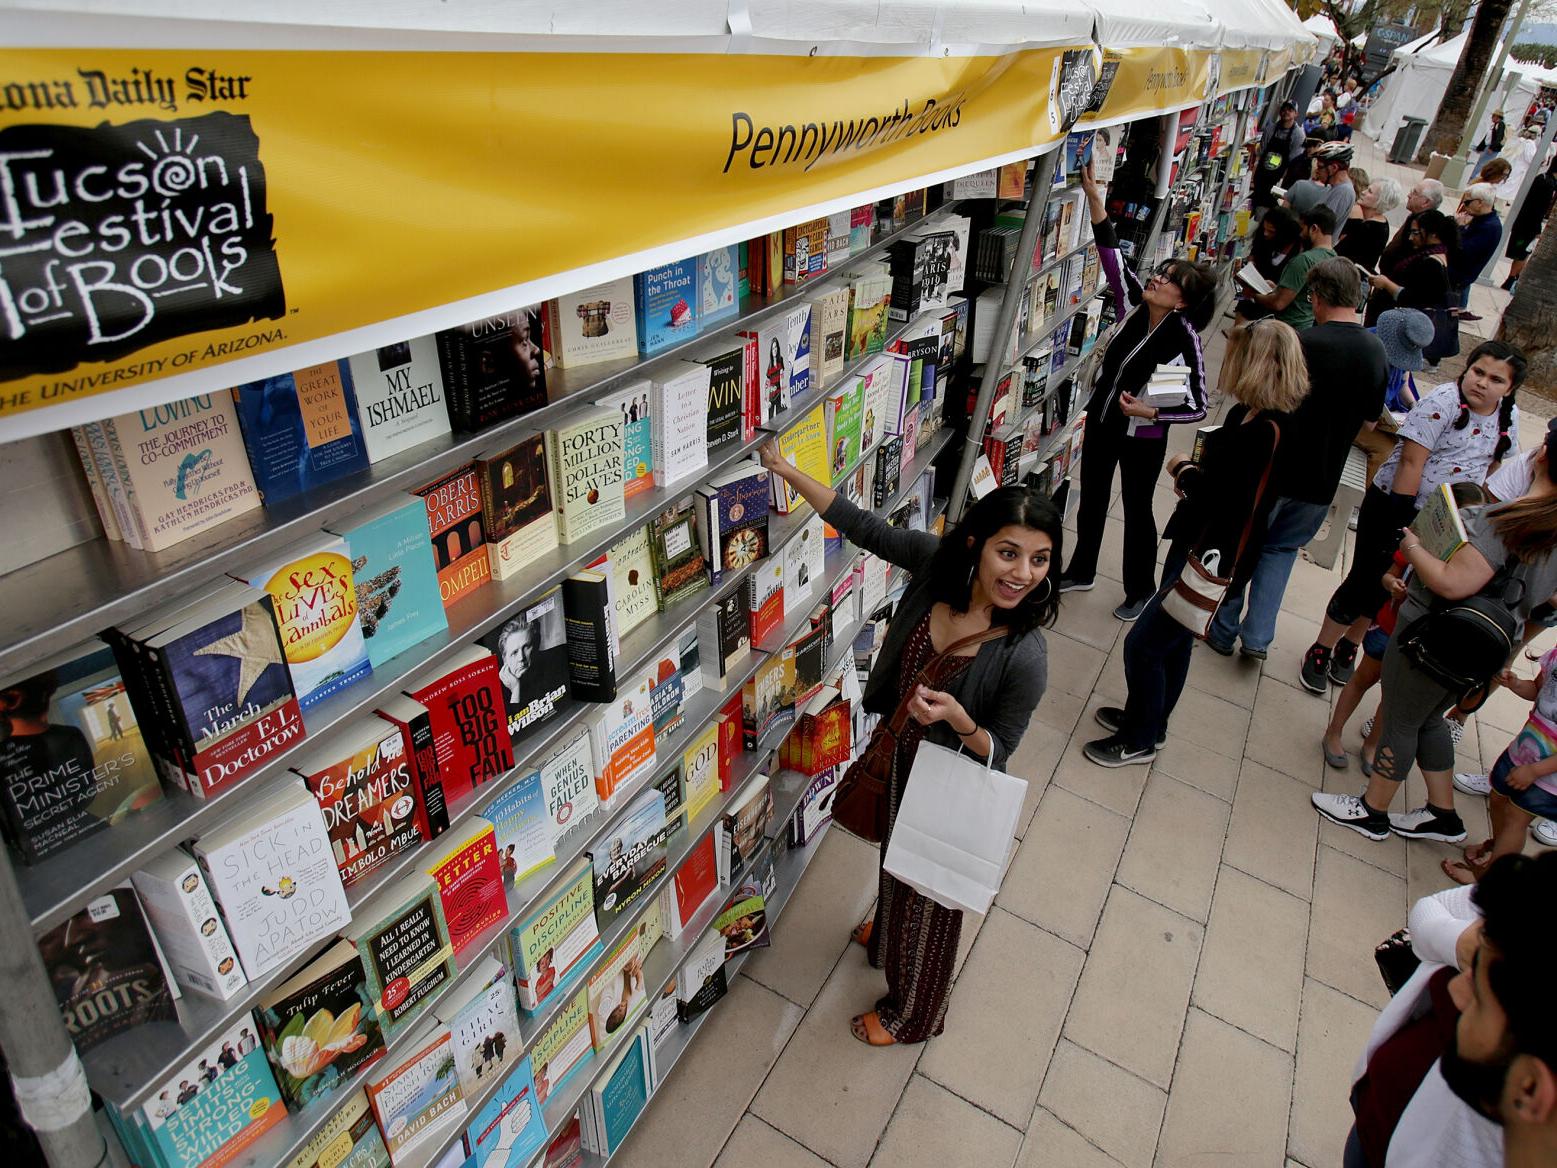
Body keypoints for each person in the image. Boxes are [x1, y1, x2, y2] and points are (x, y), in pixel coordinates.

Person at [759, 441, 1056, 1046]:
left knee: (933, 900)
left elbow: (1001, 752)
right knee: (896, 864)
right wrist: (788, 471)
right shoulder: (936, 566)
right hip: (897, 760)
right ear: (975, 545)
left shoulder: (1025, 654)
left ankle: (914, 1014)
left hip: (946, 783)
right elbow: (862, 526)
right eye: (1009, 552)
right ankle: (890, 932)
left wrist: (961, 720)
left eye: (1040, 560)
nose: (1023, 574)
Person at [1311, 356, 1545, 848]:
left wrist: (1414, 547)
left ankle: (1372, 810)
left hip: (1436, 628)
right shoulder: (1546, 523)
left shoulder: (1509, 518)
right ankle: (1443, 813)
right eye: (1477, 372)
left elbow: (1454, 582)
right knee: (1427, 717)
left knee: (1399, 716)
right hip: (1479, 641)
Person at [1083, 319, 1308, 766]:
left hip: (1212, 555)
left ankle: (1139, 737)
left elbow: (1228, 501)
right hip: (1194, 540)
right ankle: (1151, 719)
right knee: (1175, 640)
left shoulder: (1267, 432)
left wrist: (1184, 470)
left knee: (1144, 644)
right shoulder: (1248, 414)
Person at [1300, 341, 1524, 695]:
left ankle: (1351, 644)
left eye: (1496, 379)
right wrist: (1401, 522)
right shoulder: (1443, 402)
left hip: (1448, 523)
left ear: (1509, 389)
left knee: (1393, 588)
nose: (1482, 383)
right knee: (1365, 579)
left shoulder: (1507, 418)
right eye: (1478, 371)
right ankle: (1322, 647)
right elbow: (1410, 462)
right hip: (1397, 505)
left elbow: (1491, 466)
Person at [1059, 162, 1214, 621]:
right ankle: (1081, 569)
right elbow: (1112, 257)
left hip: (1142, 439)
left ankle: (1139, 590)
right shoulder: (1132, 305)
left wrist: (1152, 413)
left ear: (1183, 301)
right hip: (1104, 421)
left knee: (1138, 512)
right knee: (1091, 497)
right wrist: (1093, 200)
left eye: (1169, 281)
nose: (1157, 280)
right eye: (1160, 274)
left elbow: (1197, 406)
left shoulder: (1183, 340)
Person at [1211, 261, 1386, 660]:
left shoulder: (1303, 343)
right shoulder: (1375, 350)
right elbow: (1371, 419)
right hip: (1322, 479)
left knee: (1245, 547)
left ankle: (1222, 629)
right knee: (1281, 552)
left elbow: (1262, 401)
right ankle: (1257, 638)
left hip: (1274, 471)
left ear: (1317, 297)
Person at [1354, 307, 1435, 483]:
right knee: (1387, 451)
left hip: (1383, 416)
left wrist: (1414, 406)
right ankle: (1362, 500)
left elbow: (1403, 382)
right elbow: (1368, 419)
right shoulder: (1367, 350)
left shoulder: (1400, 352)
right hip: (1355, 418)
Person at [1242, 206, 1337, 331]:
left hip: (1280, 328)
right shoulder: (1334, 260)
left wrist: (1253, 294)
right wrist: (1277, 288)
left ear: (1314, 229)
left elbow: (1278, 303)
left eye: (1303, 229)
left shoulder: (1304, 260)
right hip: (1304, 327)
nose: (1300, 234)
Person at [1365, 209, 1457, 329]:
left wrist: (1386, 284)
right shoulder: (1435, 254)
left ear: (1433, 233)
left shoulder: (1431, 263)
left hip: (1400, 324)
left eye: (1416, 233)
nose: (1411, 237)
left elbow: (1412, 299)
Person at [1235, 206, 1301, 321]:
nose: (1266, 234)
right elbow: (1253, 255)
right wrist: (1247, 269)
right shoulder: (1263, 241)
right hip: (1251, 298)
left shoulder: (1297, 253)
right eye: (1264, 229)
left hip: (1273, 306)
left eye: (1271, 232)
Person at [1502, 155, 1557, 292]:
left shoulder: (1545, 180)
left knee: (1523, 252)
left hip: (1525, 224)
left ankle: (1514, 277)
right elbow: (1537, 208)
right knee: (1522, 252)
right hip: (1528, 226)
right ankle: (1512, 279)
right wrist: (1537, 229)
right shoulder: (1546, 183)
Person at [1452, 183, 1504, 312]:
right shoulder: (1480, 220)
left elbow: (1463, 251)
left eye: (1467, 202)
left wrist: (1459, 228)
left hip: (1456, 278)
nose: (1464, 204)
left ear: (1480, 203)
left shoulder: (1489, 227)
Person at [1379, 179, 1446, 276]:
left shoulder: (1426, 227)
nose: (1409, 195)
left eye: (1415, 193)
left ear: (1426, 202)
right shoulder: (1414, 217)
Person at [1336, 176, 1404, 272]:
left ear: (1380, 201)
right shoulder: (1378, 223)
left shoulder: (1369, 228)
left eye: (1370, 191)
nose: (1363, 192)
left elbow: (1340, 252)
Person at [1285, 141, 1357, 223]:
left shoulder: (1343, 192)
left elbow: (1319, 226)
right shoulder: (1336, 188)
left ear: (1333, 168)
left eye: (1320, 167)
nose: (1317, 170)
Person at [1254, 100, 1305, 209]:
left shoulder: (1298, 135)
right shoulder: (1270, 129)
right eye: (1284, 109)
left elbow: (1294, 162)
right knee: (1256, 204)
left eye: (1290, 110)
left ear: (1296, 114)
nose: (1286, 112)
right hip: (1262, 174)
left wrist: (1282, 182)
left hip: (1279, 178)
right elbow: (1261, 152)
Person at [1470, 110, 1508, 181]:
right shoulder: (1494, 125)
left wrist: (1492, 148)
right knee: (1480, 163)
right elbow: (1487, 137)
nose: (1492, 118)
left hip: (1491, 148)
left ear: (1497, 117)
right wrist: (1480, 148)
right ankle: (1473, 177)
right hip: (1489, 147)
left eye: (1493, 116)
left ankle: (1472, 178)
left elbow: (1499, 137)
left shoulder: (1500, 125)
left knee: (1481, 164)